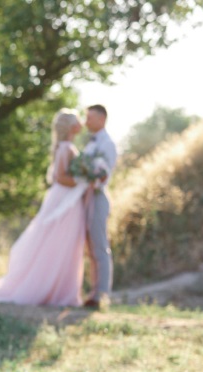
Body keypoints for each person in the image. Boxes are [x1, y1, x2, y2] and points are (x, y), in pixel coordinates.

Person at [0, 109, 89, 307]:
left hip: (62, 199)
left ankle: (60, 291)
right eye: (77, 120)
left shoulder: (64, 147)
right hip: (64, 202)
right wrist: (82, 180)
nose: (81, 123)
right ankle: (55, 292)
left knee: (62, 244)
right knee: (62, 243)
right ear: (70, 126)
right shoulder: (66, 148)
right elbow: (60, 177)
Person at [82, 104, 118, 309]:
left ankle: (102, 294)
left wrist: (90, 177)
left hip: (97, 198)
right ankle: (93, 292)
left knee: (99, 246)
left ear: (102, 119)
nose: (87, 121)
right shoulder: (91, 143)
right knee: (90, 248)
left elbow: (104, 175)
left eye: (90, 118)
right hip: (86, 198)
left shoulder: (108, 144)